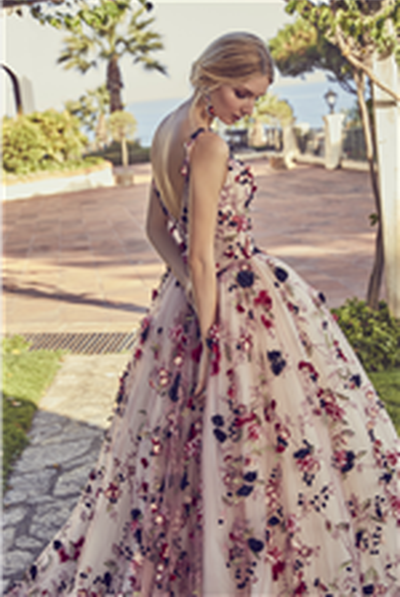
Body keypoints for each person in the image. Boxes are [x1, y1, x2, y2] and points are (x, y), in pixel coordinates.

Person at [7, 32, 400, 597]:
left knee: (187, 445)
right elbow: (199, 250)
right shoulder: (208, 145)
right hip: (232, 298)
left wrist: (185, 290)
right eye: (242, 93)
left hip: (192, 297)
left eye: (257, 98)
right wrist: (212, 327)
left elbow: (156, 234)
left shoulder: (167, 128)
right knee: (253, 439)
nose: (249, 107)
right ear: (212, 78)